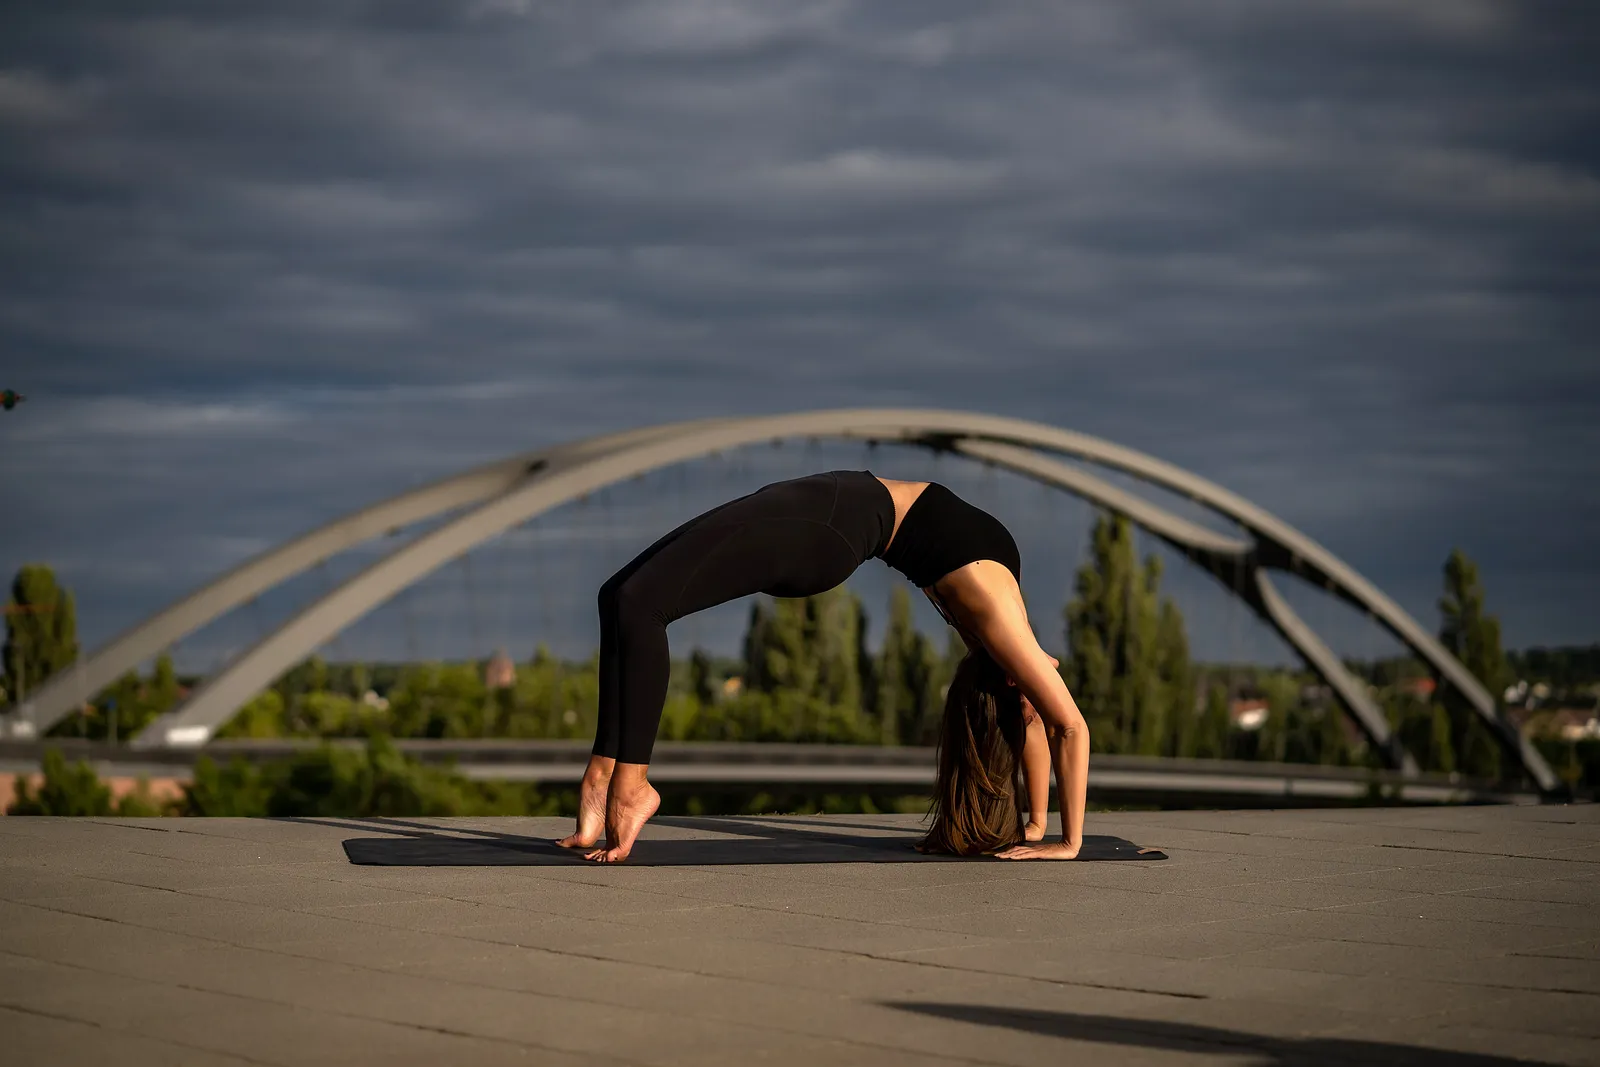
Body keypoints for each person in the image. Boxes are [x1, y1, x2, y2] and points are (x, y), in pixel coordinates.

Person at [556, 470, 1090, 862]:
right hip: (832, 508)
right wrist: (1037, 824)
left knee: (643, 605)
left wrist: (1067, 841)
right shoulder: (1001, 639)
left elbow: (1067, 724)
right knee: (618, 595)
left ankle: (632, 784)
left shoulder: (992, 616)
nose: (1044, 680)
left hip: (828, 528)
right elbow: (1037, 719)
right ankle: (601, 778)